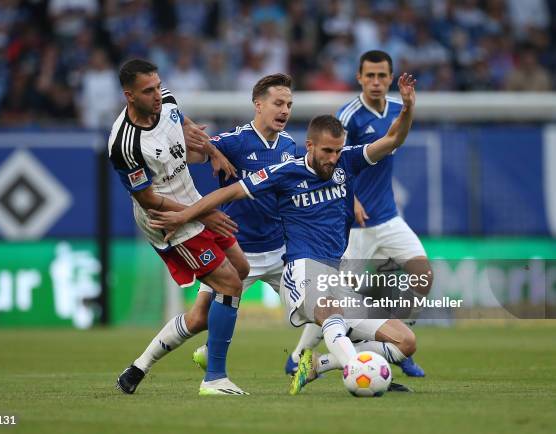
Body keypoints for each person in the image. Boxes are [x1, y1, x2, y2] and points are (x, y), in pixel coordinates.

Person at [150, 73, 419, 395]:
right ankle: (356, 368)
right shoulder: (277, 165)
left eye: (289, 104)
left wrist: (406, 108)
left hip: (325, 268)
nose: (333, 159)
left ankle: (318, 365)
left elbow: (392, 141)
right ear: (310, 146)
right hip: (280, 262)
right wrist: (185, 211)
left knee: (405, 341)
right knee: (201, 318)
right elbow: (223, 186)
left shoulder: (339, 161)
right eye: (327, 152)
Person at [286, 50, 433, 378]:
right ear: (359, 78)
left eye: (383, 76)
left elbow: (398, 136)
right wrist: (350, 201)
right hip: (357, 224)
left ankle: (398, 346)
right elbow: (336, 160)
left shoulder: (397, 108)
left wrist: (409, 106)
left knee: (423, 275)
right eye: (371, 76)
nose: (377, 82)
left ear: (390, 77)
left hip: (388, 216)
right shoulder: (349, 115)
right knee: (337, 299)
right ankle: (298, 356)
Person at [110, 59, 250, 396]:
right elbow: (147, 199)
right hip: (168, 221)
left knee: (238, 272)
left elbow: (183, 124)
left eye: (158, 86)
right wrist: (200, 215)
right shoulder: (125, 145)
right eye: (148, 90)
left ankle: (138, 368)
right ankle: (215, 378)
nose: (158, 95)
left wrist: (212, 151)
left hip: (193, 202)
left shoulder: (167, 101)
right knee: (229, 282)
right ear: (130, 96)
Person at [189, 73, 297, 370]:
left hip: (277, 250)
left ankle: (300, 357)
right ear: (258, 105)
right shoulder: (236, 141)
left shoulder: (290, 147)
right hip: (236, 250)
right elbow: (191, 151)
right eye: (278, 103)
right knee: (198, 317)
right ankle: (142, 365)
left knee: (316, 306)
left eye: (289, 104)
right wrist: (211, 151)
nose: (285, 110)